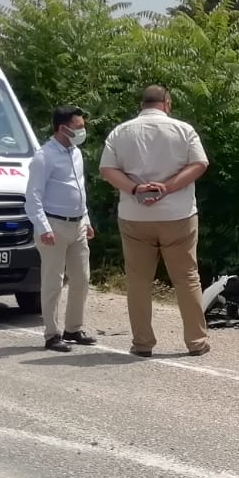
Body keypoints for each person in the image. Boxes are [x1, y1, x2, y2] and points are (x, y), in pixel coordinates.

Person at [98, 86, 211, 357]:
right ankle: (196, 341)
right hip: (178, 215)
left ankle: (142, 343)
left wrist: (136, 190)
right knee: (186, 278)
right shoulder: (184, 130)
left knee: (138, 280)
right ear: (167, 103)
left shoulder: (120, 131)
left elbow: (106, 170)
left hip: (135, 216)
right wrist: (167, 187)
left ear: (142, 104)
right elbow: (199, 164)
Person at [25, 104, 96, 353]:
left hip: (76, 224)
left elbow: (79, 189)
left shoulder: (75, 153)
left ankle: (73, 329)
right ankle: (52, 334)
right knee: (53, 281)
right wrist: (43, 227)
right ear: (62, 128)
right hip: (53, 225)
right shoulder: (43, 157)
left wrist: (85, 220)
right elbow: (32, 197)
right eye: (78, 127)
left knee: (82, 279)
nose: (82, 130)